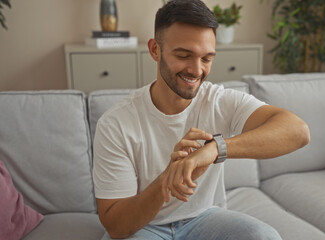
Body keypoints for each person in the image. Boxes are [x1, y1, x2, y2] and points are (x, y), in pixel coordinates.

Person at [93, 0, 310, 239]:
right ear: (155, 49)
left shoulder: (219, 100)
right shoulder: (116, 123)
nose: (197, 70)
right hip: (145, 227)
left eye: (206, 58)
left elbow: (298, 131)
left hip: (204, 218)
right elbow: (116, 225)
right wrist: (170, 177)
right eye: (184, 55)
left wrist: (215, 149)